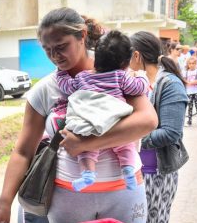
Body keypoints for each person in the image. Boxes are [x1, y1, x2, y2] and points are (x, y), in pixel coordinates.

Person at [0, 7, 157, 223]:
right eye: (47, 50)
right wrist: (4, 203)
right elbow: (22, 151)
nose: (55, 56)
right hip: (67, 198)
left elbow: (147, 121)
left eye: (61, 46)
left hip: (123, 193)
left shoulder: (115, 71)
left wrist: (86, 144)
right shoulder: (45, 89)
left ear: (82, 35)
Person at [56, 30, 148, 191]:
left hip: (89, 121)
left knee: (86, 149)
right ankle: (127, 171)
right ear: (125, 64)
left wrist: (61, 72)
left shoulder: (83, 77)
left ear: (96, 59)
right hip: (114, 122)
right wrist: (141, 75)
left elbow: (66, 85)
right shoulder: (121, 76)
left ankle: (88, 175)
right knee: (125, 145)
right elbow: (138, 88)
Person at [130, 32, 189, 223]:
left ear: (137, 55)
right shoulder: (137, 82)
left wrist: (132, 139)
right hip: (136, 171)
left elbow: (171, 133)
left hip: (157, 173)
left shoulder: (170, 84)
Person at [182, 56, 197, 126]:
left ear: (196, 64)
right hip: (189, 92)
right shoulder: (186, 72)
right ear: (188, 64)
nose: (191, 65)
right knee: (189, 107)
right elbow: (183, 80)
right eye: (190, 63)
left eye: (193, 63)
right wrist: (187, 82)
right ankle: (189, 121)